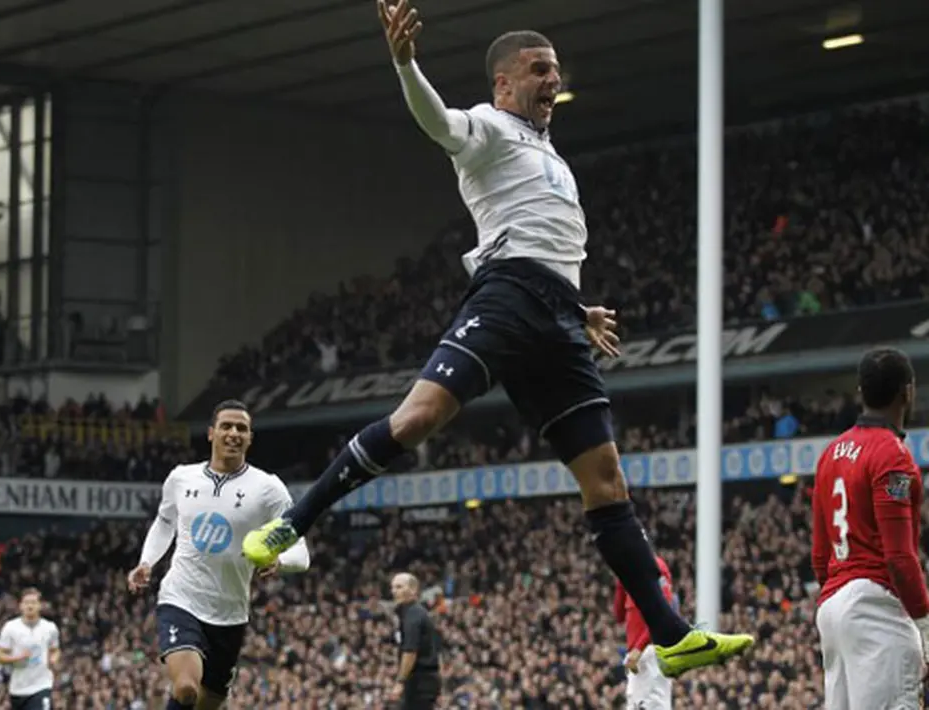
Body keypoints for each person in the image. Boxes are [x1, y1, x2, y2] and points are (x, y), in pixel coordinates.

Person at [243, 0, 753, 678]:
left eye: (557, 70)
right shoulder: (485, 127)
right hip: (507, 298)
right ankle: (292, 521)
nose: (553, 79)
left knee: (604, 479)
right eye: (540, 69)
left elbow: (549, 242)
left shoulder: (551, 156)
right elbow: (437, 123)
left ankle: (670, 633)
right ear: (504, 83)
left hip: (557, 316)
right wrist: (405, 63)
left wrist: (578, 307)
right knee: (419, 418)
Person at [128, 400, 311, 710]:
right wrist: (147, 561)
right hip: (181, 598)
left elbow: (301, 551)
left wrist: (281, 562)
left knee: (209, 703)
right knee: (186, 688)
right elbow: (165, 522)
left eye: (241, 428)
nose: (233, 433)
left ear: (250, 438)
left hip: (230, 614)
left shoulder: (268, 489)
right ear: (211, 433)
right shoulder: (181, 478)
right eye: (226, 426)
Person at [811, 347, 929, 709]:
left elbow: (819, 555)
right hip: (875, 608)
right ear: (908, 391)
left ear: (861, 392)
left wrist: (838, 596)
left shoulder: (831, 454)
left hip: (833, 606)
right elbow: (899, 556)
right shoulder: (892, 455)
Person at [613, 550, 676, 709]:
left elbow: (663, 613)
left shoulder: (656, 567)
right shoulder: (628, 569)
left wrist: (639, 648)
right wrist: (621, 582)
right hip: (636, 658)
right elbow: (619, 615)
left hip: (652, 652)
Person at [0, 587, 60, 710]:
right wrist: (17, 658)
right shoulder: (10, 628)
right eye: (26, 603)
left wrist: (53, 660)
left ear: (40, 605)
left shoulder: (50, 628)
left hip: (41, 687)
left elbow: (55, 650)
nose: (30, 606)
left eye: (33, 602)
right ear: (20, 606)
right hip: (17, 689)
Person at [389, 572, 441, 709]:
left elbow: (410, 651)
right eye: (393, 587)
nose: (394, 591)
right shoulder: (407, 614)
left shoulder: (414, 615)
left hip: (420, 680)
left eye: (399, 587)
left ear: (413, 589)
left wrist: (400, 681)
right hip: (420, 680)